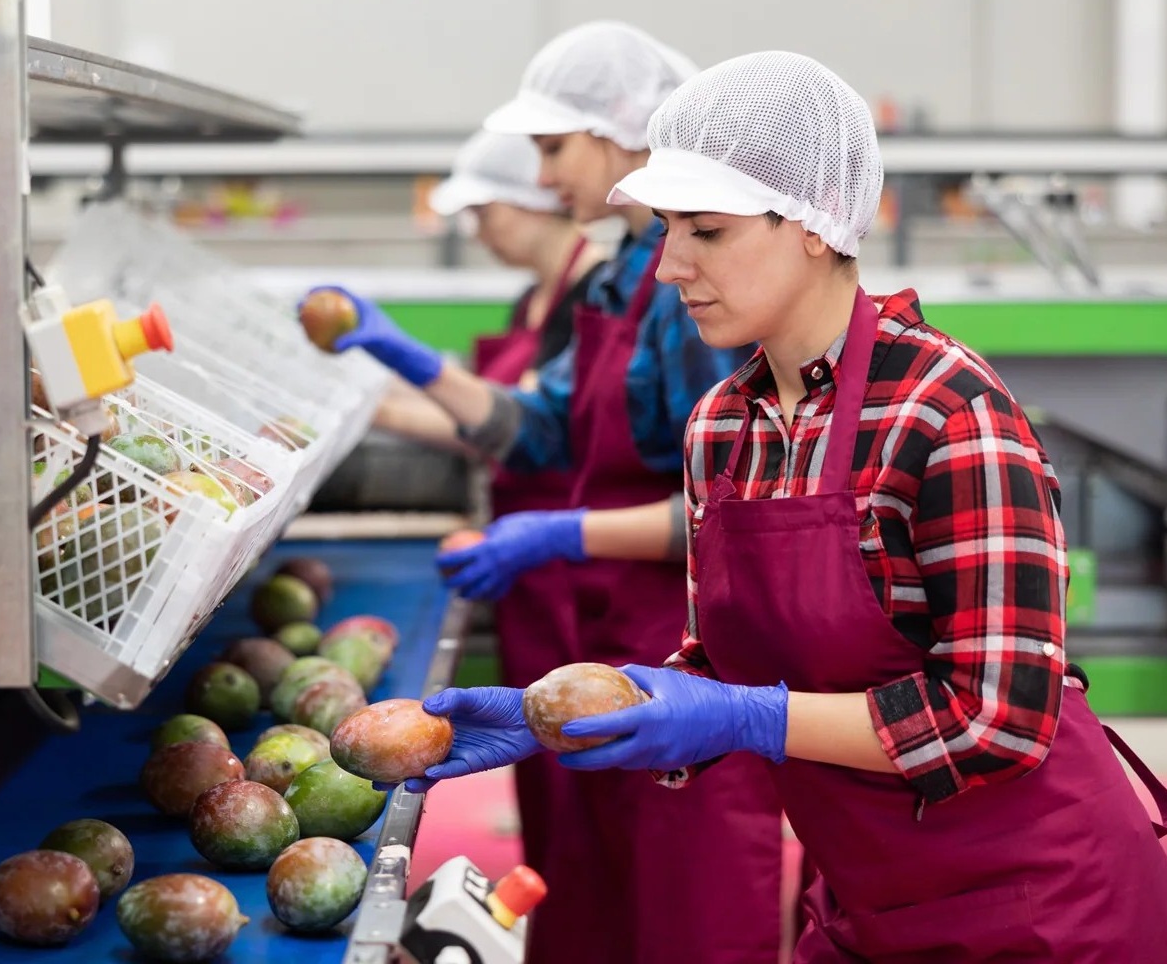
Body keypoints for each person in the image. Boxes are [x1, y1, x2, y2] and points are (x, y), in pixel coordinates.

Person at [413, 50, 1167, 962]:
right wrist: (557, 715)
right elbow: (712, 664)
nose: (666, 268)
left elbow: (996, 717)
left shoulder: (946, 411)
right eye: (664, 230)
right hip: (864, 898)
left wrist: (750, 717)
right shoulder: (723, 427)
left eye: (706, 232)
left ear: (813, 224)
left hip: (1039, 909)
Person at [317, 22, 783, 964]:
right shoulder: (619, 277)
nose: (541, 175)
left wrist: (562, 533)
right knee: (597, 898)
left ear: (622, 132)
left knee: (688, 914)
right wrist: (404, 360)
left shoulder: (687, 286)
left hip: (689, 651)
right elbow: (538, 424)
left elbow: (730, 515)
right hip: (608, 639)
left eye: (552, 147)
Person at [377, 126, 608, 881]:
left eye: (485, 210)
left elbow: (515, 429)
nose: (477, 228)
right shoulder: (529, 302)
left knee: (592, 779)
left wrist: (376, 406)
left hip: (581, 562)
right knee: (545, 777)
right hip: (530, 568)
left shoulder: (594, 296)